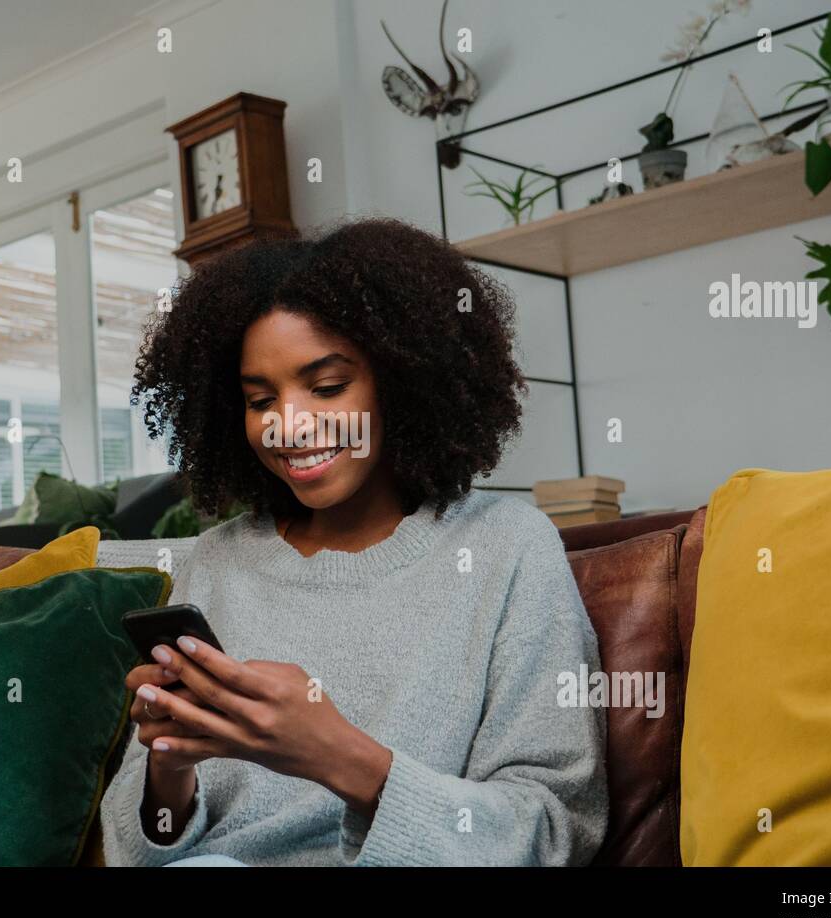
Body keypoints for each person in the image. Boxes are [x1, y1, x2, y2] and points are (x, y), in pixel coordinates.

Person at [99, 217, 608, 866]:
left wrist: (346, 760)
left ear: (400, 379)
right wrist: (170, 767)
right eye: (260, 400)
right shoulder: (220, 560)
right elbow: (130, 854)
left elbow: (556, 830)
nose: (288, 426)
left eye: (327, 387)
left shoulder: (507, 548)